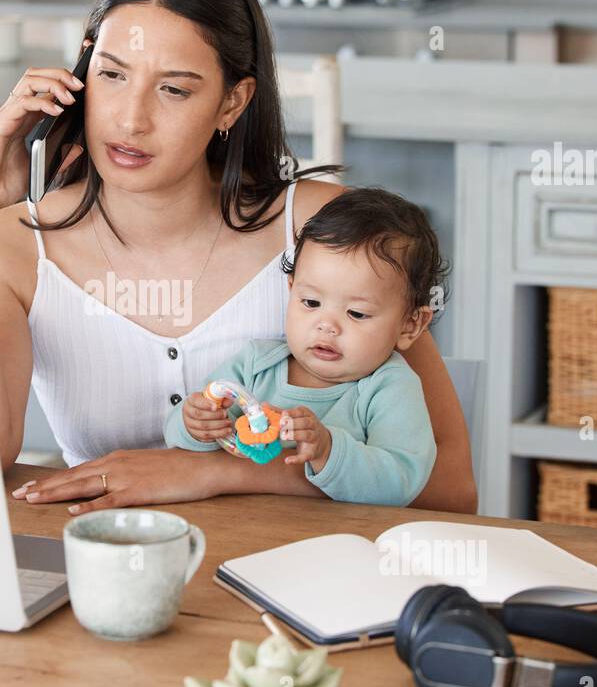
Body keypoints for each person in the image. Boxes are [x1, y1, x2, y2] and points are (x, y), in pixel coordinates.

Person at [0, 0, 477, 514]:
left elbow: (451, 486)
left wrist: (208, 472)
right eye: (112, 75)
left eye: (174, 89)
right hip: (109, 566)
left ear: (232, 102)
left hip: (300, 571)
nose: (131, 119)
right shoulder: (18, 244)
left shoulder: (320, 231)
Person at [167, 188, 443, 506]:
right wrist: (194, 425)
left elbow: (401, 483)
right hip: (241, 532)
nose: (327, 325)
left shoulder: (389, 387)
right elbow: (183, 440)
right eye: (311, 302)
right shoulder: (255, 365)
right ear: (290, 290)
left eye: (356, 313)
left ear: (410, 325)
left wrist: (328, 449)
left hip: (336, 544)